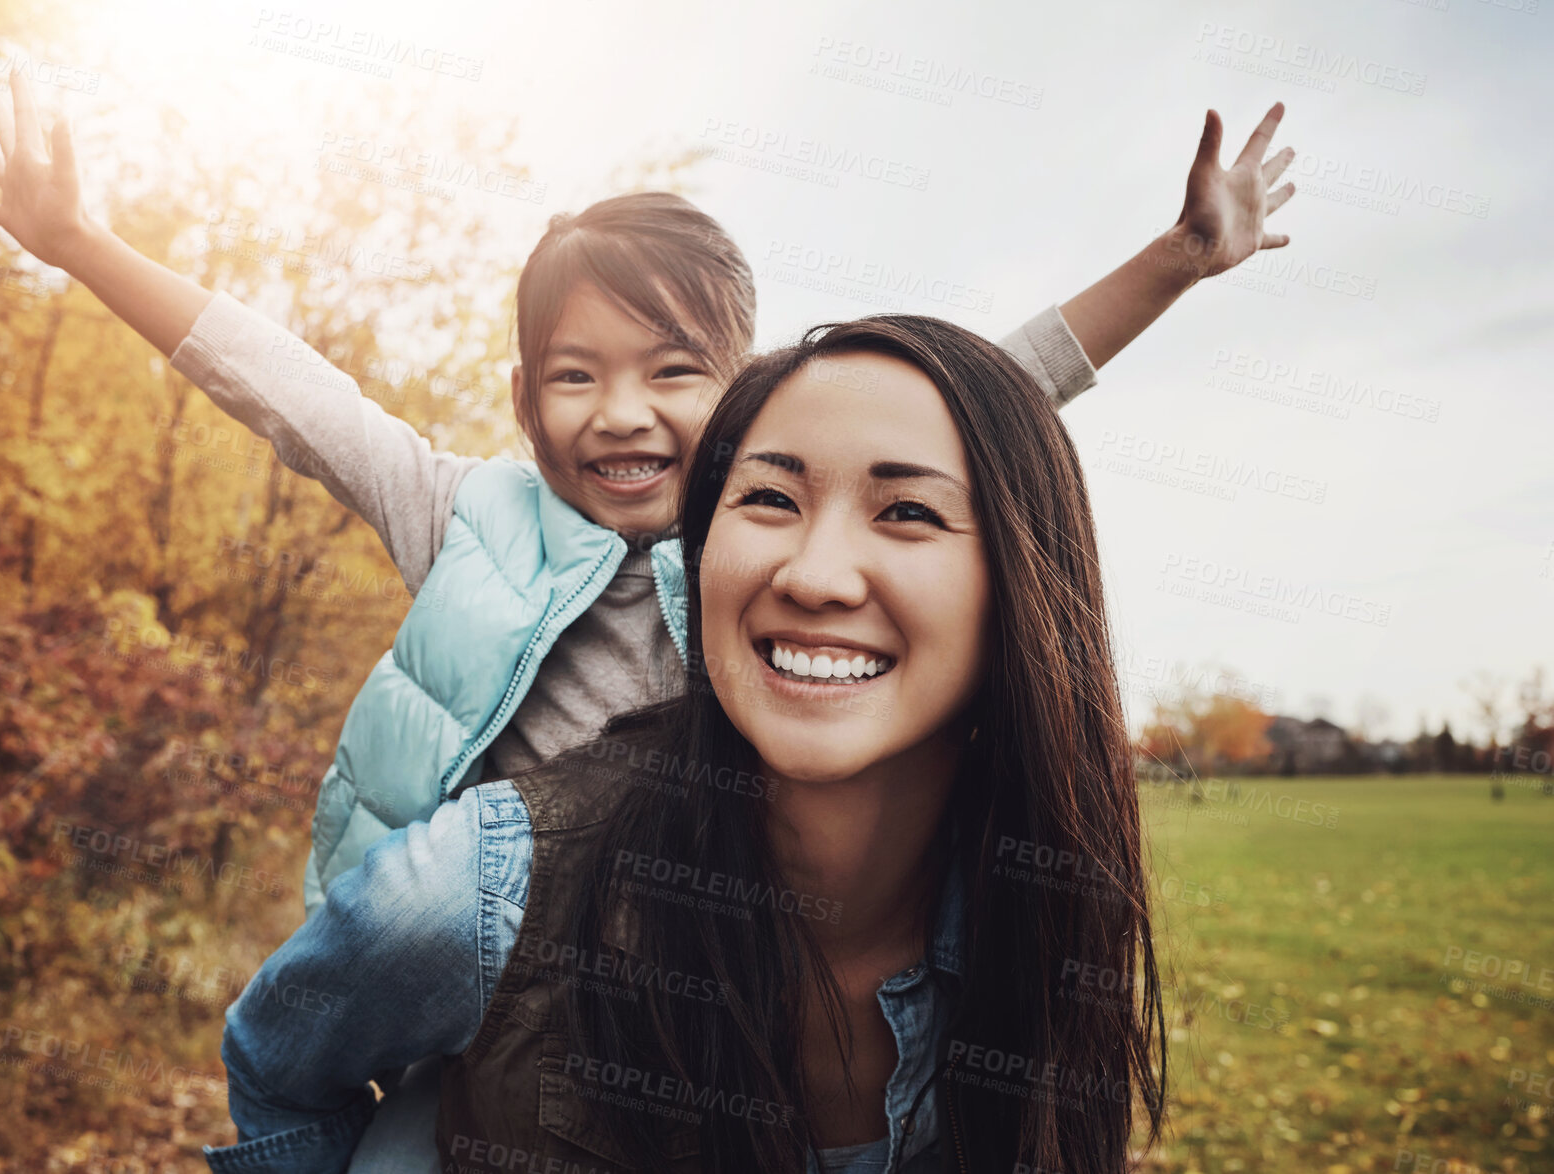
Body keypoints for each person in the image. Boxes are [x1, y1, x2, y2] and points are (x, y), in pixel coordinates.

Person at [0, 68, 1296, 918]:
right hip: (475, 982)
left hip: (705, 972)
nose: (621, 413)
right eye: (573, 375)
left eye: (673, 370)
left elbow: (990, 393)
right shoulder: (456, 509)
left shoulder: (763, 532)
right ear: (525, 392)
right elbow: (286, 389)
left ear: (749, 386)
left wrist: (1175, 258)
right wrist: (79, 242)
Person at [200, 313, 1166, 1173]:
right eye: (769, 500)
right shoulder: (474, 888)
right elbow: (280, 1064)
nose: (816, 575)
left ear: (1025, 584)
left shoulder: (1046, 910)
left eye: (906, 511)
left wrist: (1173, 262)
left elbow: (994, 386)